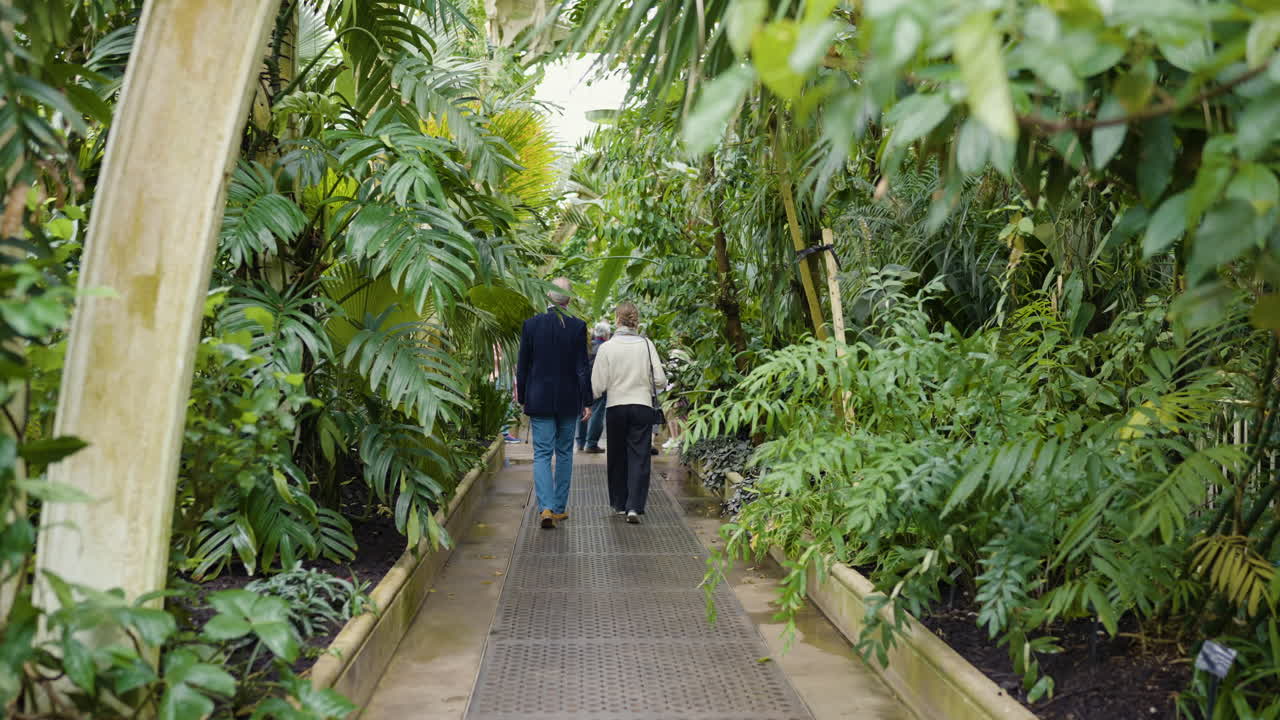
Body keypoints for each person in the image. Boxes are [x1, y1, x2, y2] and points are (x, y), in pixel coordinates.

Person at [516, 278, 593, 529]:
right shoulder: (577, 326)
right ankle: (559, 507)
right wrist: (587, 401)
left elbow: (523, 365)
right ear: (569, 299)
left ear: (548, 298)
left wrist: (522, 396)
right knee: (563, 454)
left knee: (541, 453)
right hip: (568, 400)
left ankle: (545, 507)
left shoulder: (531, 325)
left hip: (538, 398)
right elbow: (582, 368)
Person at [590, 302, 667, 524]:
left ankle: (619, 503)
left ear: (616, 320)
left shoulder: (607, 348)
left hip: (616, 407)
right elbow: (660, 380)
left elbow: (597, 386)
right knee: (640, 456)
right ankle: (635, 507)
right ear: (636, 320)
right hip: (642, 405)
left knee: (616, 456)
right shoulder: (646, 344)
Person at [576, 322, 611, 453]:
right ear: (607, 334)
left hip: (583, 383)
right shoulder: (606, 348)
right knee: (597, 412)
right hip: (598, 384)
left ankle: (580, 442)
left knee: (582, 410)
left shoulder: (588, 346)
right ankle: (591, 443)